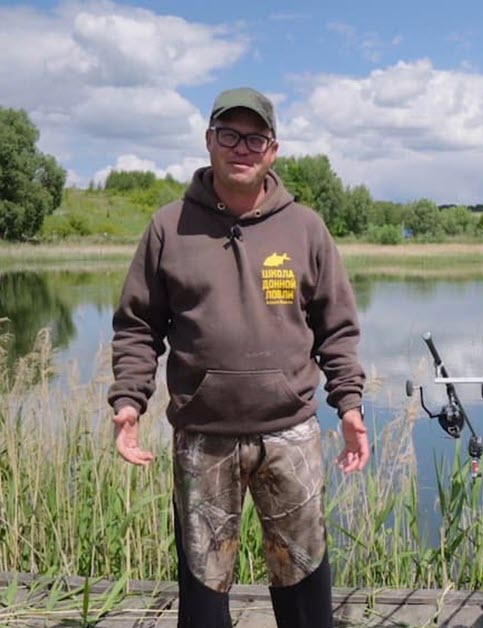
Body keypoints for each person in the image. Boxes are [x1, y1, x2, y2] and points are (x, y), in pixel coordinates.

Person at [108, 87, 369, 628]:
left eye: (255, 137)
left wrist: (349, 406)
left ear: (272, 150)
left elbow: (337, 329)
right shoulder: (168, 226)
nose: (241, 147)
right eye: (229, 134)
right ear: (209, 141)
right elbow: (138, 326)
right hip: (203, 436)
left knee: (302, 581)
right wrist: (130, 401)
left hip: (290, 432)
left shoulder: (305, 227)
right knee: (203, 590)